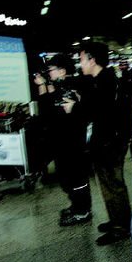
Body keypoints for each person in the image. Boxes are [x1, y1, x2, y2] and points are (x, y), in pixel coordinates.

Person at [66, 42, 132, 245]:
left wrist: (75, 107)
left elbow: (99, 112)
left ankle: (121, 226)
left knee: (113, 185)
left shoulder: (106, 81)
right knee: (107, 185)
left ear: (92, 60)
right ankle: (116, 220)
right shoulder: (98, 80)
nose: (80, 64)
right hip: (104, 142)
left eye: (82, 59)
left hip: (110, 143)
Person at [34, 54, 91, 226]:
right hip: (61, 141)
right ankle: (77, 206)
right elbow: (47, 112)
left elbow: (54, 114)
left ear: (62, 71)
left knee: (76, 177)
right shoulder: (61, 86)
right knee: (67, 178)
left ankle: (83, 211)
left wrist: (46, 88)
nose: (48, 73)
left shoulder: (71, 87)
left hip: (71, 142)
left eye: (51, 70)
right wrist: (45, 87)